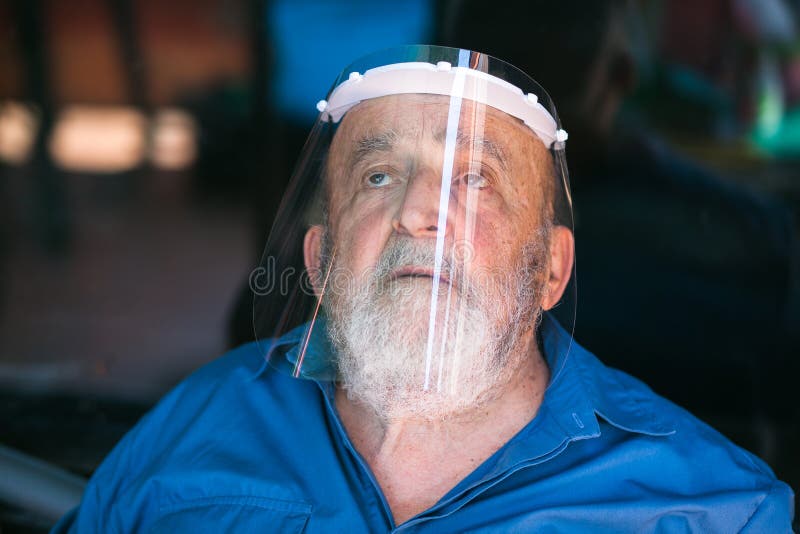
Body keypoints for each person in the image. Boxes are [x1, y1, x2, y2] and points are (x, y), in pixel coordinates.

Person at [53, 45, 794, 532]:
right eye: (379, 176)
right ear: (319, 261)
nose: (417, 212)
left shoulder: (714, 509)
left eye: (475, 179)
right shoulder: (197, 427)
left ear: (550, 271)